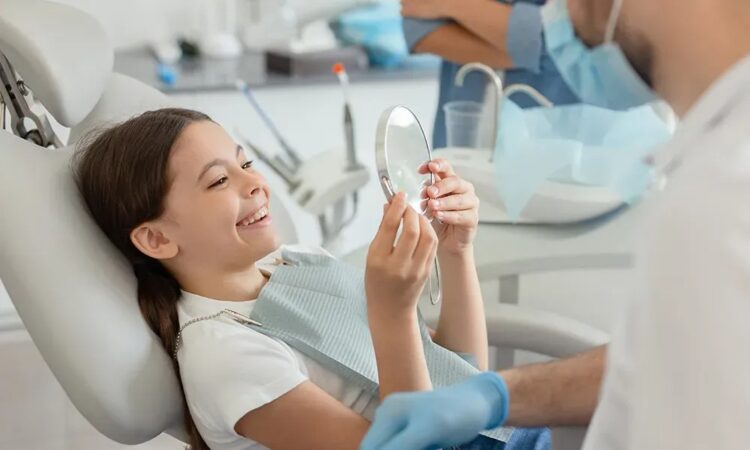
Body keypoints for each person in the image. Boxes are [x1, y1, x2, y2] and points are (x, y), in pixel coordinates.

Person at [362, 0, 750, 448]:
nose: (553, 15)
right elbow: (675, 357)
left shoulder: (716, 202)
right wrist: (500, 395)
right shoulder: (716, 175)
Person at [72, 108, 547, 450]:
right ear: (156, 239)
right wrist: (393, 313)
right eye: (219, 181)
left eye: (245, 163)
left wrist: (455, 252)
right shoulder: (225, 356)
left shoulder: (299, 262)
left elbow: (457, 377)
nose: (255, 183)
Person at [401, 0, 580, 148]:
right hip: (458, 134)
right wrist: (525, 47)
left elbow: (565, 41)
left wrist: (451, 4)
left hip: (549, 141)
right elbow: (418, 29)